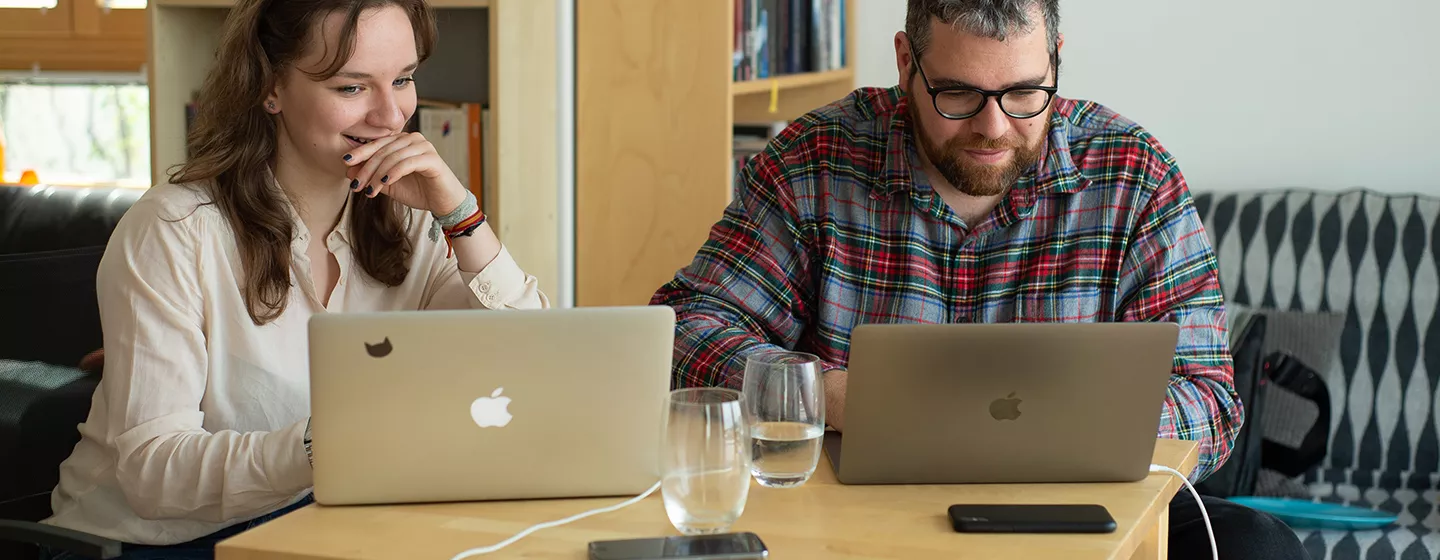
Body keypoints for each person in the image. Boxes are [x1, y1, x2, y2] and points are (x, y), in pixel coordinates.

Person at [651, 1, 1306, 559]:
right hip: (861, 512)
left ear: (1056, 61)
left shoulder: (1134, 175)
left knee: (1258, 546)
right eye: (958, 93)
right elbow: (688, 330)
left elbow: (1211, 401)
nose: (993, 128)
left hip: (1076, 509)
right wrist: (824, 395)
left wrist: (1078, 422)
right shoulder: (815, 161)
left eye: (1023, 93)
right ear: (906, 62)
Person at [40, 0, 547, 557]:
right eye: (351, 87)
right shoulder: (175, 229)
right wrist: (323, 445)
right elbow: (154, 475)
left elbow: (532, 366)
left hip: (315, 524)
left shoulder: (409, 220)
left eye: (402, 80)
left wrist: (460, 213)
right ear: (270, 88)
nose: (391, 116)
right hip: (151, 543)